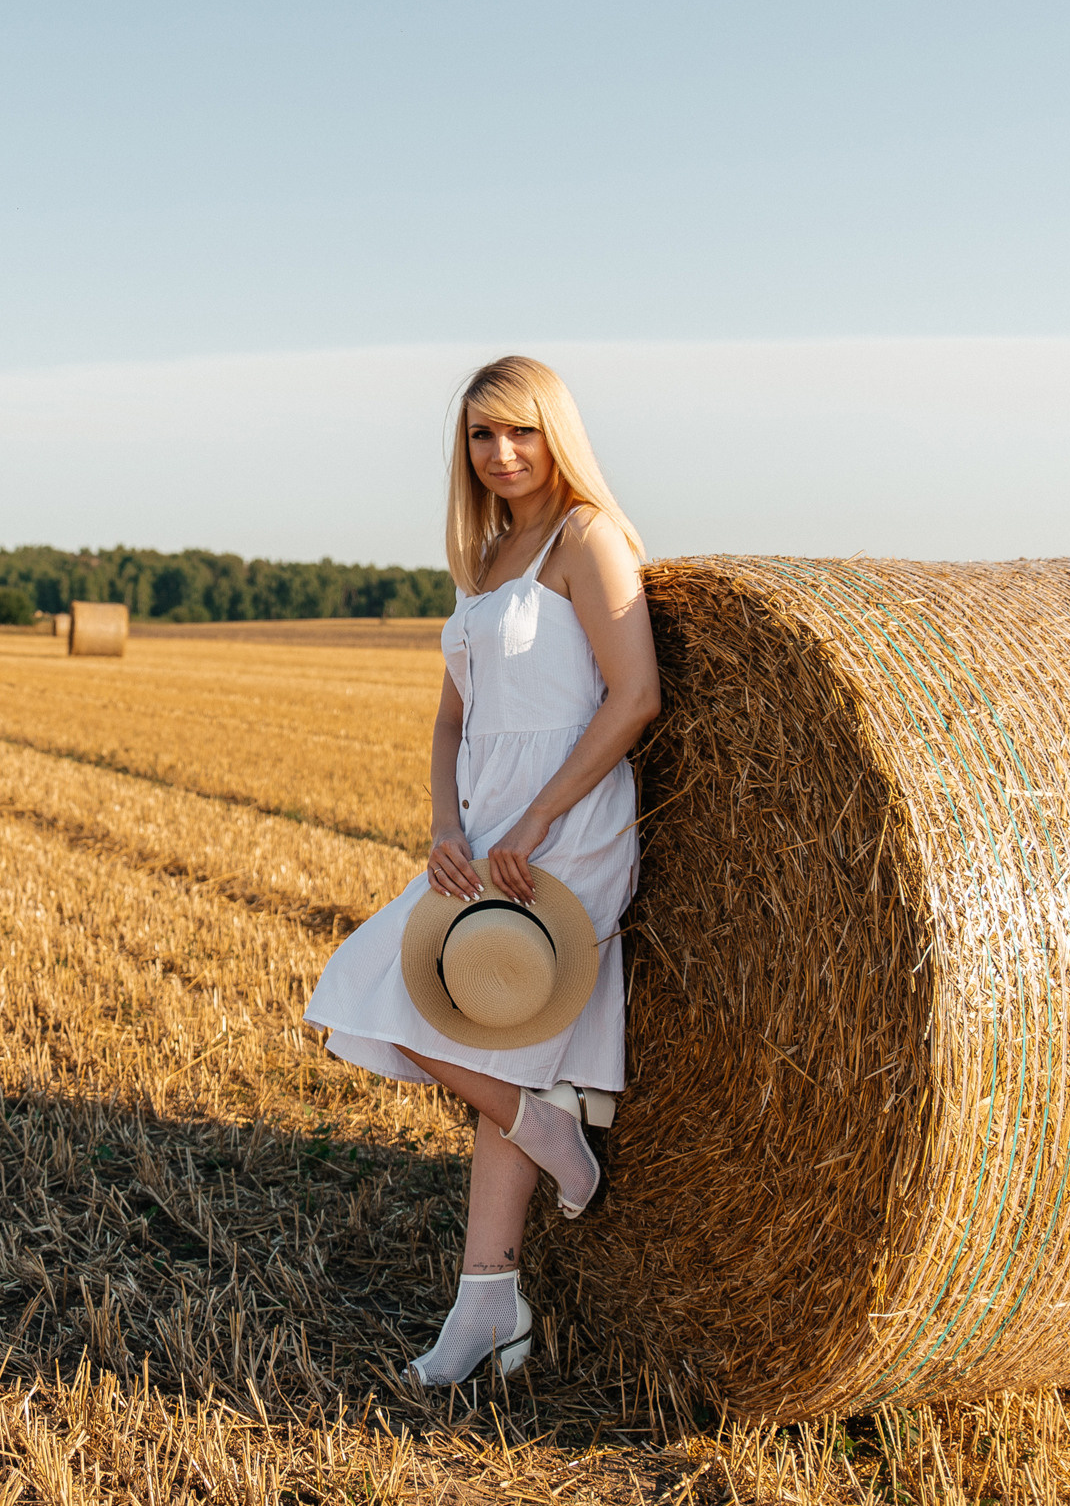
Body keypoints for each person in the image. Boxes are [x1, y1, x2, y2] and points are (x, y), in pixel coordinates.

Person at [303, 355, 661, 1388]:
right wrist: (444, 822)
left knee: (406, 1002)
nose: (499, 454)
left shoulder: (586, 539)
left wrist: (540, 819)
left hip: (566, 824)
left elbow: (633, 696)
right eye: (479, 436)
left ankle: (539, 1141)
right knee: (421, 1016)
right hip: (485, 825)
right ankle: (489, 1308)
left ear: (557, 436)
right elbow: (452, 712)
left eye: (520, 433)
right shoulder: (485, 551)